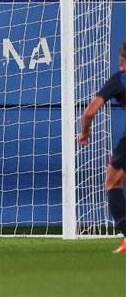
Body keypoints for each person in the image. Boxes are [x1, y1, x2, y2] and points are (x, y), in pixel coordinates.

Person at [77, 42, 126, 253]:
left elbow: (89, 112)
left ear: (122, 60)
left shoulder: (119, 79)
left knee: (113, 183)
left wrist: (85, 132)